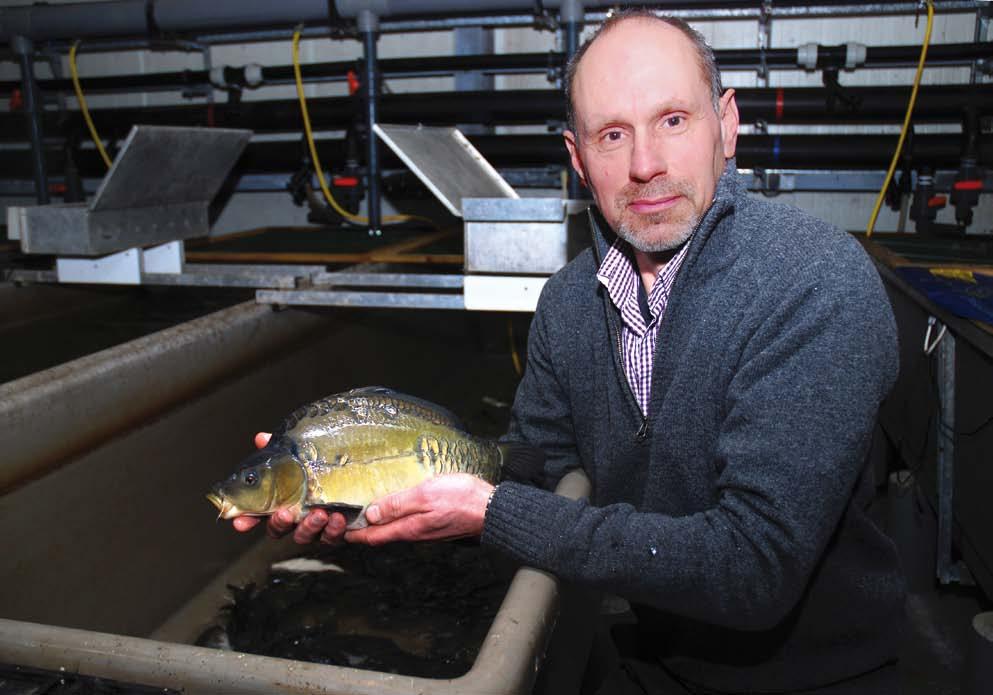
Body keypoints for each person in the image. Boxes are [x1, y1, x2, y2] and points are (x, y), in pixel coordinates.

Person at [235, 11, 904, 693]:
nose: (645, 164)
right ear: (577, 157)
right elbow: (530, 470)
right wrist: (379, 492)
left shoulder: (813, 281)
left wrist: (490, 510)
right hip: (648, 654)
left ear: (726, 125)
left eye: (672, 120)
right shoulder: (568, 302)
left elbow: (752, 567)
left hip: (818, 676)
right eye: (612, 135)